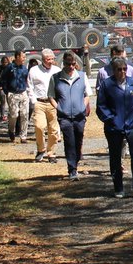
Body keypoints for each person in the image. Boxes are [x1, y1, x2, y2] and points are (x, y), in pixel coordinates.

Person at [96, 55, 133, 198]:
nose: (123, 72)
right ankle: (118, 188)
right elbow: (101, 106)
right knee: (115, 157)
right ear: (114, 71)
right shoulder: (107, 85)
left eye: (125, 69)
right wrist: (111, 120)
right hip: (114, 127)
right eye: (119, 70)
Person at [49, 51, 90, 180]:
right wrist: (59, 108)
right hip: (64, 117)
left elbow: (87, 94)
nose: (71, 67)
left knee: (78, 141)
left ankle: (75, 162)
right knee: (69, 141)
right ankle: (72, 169)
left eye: (73, 64)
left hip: (79, 116)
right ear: (63, 63)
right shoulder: (56, 78)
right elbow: (51, 96)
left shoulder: (82, 76)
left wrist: (83, 107)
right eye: (68, 64)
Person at [27, 48, 61, 163]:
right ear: (42, 59)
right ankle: (41, 149)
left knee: (53, 129)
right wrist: (33, 101)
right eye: (48, 59)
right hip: (39, 102)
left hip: (52, 102)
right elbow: (30, 86)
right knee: (39, 126)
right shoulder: (34, 70)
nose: (50, 61)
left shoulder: (57, 70)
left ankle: (51, 153)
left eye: (52, 59)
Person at [0, 49, 31, 143]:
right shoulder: (10, 67)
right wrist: (7, 92)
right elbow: (3, 79)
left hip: (23, 93)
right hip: (12, 94)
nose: (24, 59)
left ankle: (23, 136)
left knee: (25, 114)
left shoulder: (24, 68)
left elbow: (27, 79)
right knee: (14, 115)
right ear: (17, 57)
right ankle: (11, 130)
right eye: (23, 57)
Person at [0, 54, 11, 123]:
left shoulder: (10, 68)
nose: (5, 64)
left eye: (6, 62)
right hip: (0, 87)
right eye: (3, 62)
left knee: (10, 101)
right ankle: (2, 115)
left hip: (8, 87)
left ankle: (10, 115)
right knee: (3, 101)